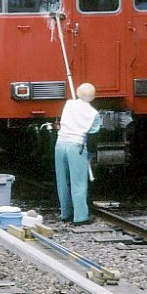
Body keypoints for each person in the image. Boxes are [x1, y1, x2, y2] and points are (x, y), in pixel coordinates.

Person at [54, 82, 102, 225]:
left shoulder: (68, 104)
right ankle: (80, 217)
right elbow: (93, 133)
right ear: (93, 98)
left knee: (62, 181)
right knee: (79, 183)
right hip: (77, 146)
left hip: (60, 143)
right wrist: (90, 153)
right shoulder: (94, 114)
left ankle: (65, 214)